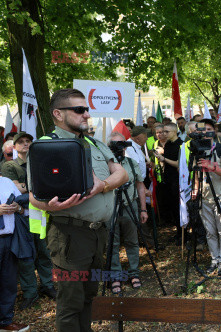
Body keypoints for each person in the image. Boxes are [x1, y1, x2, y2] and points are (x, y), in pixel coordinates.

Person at [28, 88, 128, 332]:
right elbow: (33, 195)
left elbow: (122, 174)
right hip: (69, 236)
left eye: (87, 109)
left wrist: (102, 186)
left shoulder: (94, 142)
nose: (87, 114)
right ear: (58, 114)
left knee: (88, 297)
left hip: (98, 234)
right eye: (80, 110)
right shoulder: (44, 147)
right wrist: (48, 206)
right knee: (70, 303)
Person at [2, 132, 56, 310]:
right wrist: (36, 187)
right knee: (25, 257)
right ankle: (30, 293)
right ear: (14, 146)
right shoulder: (10, 165)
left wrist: (29, 190)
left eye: (28, 141)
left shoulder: (40, 163)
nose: (25, 144)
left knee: (44, 252)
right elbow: (14, 192)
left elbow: (49, 184)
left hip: (39, 212)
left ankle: (48, 285)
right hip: (19, 217)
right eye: (21, 142)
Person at [108, 132, 148, 294]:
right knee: (113, 243)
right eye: (115, 145)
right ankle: (116, 275)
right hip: (110, 209)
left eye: (122, 144)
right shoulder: (104, 164)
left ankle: (134, 273)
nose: (120, 149)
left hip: (129, 206)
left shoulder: (131, 164)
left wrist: (143, 209)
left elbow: (140, 186)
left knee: (132, 242)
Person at [193, 119, 221, 275]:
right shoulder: (198, 149)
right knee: (210, 231)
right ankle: (214, 260)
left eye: (209, 129)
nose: (205, 133)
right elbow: (196, 174)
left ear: (214, 131)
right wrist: (195, 189)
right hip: (205, 196)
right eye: (202, 130)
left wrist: (211, 166)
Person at [0, 176, 29, 332]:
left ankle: (5, 322)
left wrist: (17, 208)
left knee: (8, 282)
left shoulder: (6, 182)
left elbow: (24, 210)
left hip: (9, 239)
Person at [155, 123, 183, 244]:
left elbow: (178, 164)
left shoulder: (180, 144)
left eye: (167, 132)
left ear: (174, 132)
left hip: (177, 180)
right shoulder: (169, 144)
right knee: (172, 208)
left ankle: (183, 235)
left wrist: (163, 159)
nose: (164, 134)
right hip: (168, 179)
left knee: (178, 208)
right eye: (163, 131)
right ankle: (178, 233)